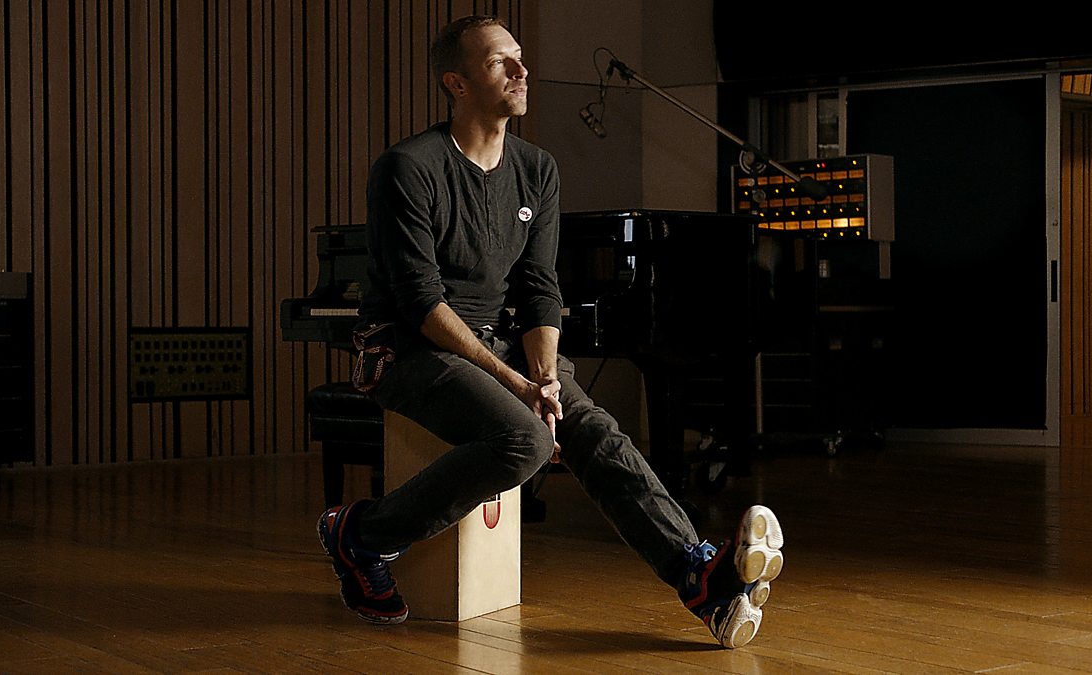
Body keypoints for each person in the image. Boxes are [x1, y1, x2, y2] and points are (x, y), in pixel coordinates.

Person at [316, 14, 784, 649]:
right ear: (456, 83)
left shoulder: (537, 168)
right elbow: (422, 305)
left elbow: (540, 287)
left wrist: (545, 379)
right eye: (498, 62)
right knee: (526, 440)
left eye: (519, 56)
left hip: (499, 341)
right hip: (406, 347)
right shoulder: (408, 167)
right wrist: (517, 385)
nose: (521, 70)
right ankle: (360, 535)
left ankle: (700, 579)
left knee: (592, 430)